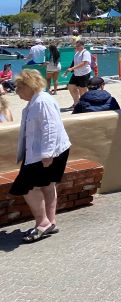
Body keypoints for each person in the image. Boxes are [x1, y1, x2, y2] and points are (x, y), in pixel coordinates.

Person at [10, 69, 72, 242]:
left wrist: (47, 154)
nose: (17, 92)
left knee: (26, 187)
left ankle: (42, 222)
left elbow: (50, 128)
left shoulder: (41, 102)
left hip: (46, 153)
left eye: (19, 88)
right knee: (46, 185)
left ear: (29, 86)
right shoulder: (36, 101)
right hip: (46, 152)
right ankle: (50, 222)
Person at [65, 40, 92, 107]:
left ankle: (85, 103)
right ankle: (76, 102)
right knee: (70, 86)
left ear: (82, 46)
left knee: (83, 90)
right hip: (76, 73)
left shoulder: (86, 53)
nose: (76, 47)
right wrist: (68, 70)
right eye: (76, 46)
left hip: (84, 73)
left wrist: (72, 68)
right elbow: (74, 62)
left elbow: (84, 63)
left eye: (78, 46)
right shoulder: (77, 53)